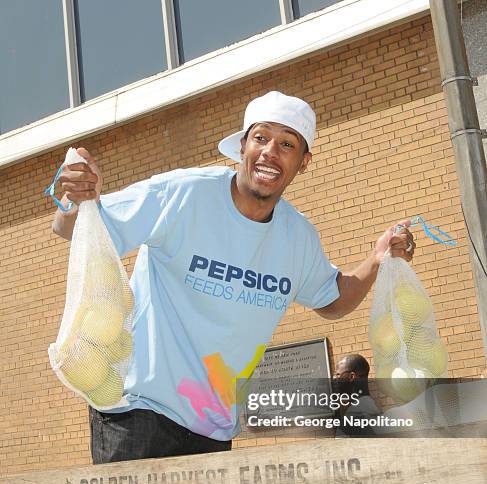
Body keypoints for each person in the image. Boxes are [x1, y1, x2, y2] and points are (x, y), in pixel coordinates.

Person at [51, 90, 415, 463]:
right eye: (261, 137)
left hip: (214, 428)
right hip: (137, 413)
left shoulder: (297, 238)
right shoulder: (182, 195)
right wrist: (75, 198)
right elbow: (75, 227)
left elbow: (336, 300)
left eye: (287, 143)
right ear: (243, 146)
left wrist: (378, 257)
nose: (271, 151)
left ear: (303, 162)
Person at [333, 354, 381, 437]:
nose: (334, 378)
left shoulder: (351, 421)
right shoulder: (373, 410)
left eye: (338, 374)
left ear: (351, 376)